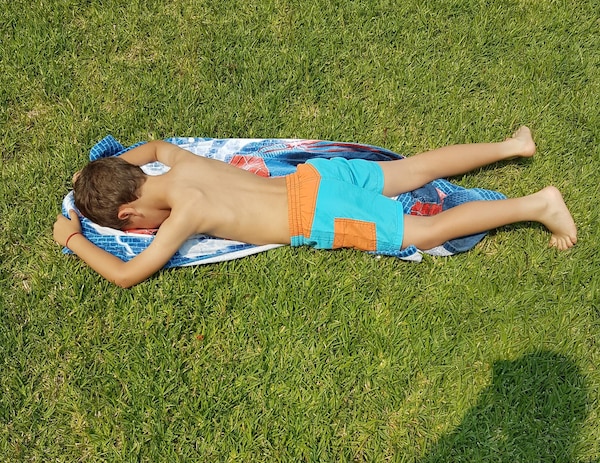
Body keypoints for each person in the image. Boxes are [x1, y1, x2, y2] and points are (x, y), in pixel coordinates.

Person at [53, 127, 577, 288]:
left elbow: (128, 275)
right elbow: (149, 150)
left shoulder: (185, 215)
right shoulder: (176, 162)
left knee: (425, 232)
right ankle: (513, 146)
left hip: (319, 215)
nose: (149, 228)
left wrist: (73, 240)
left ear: (128, 217)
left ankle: (536, 204)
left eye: (137, 224)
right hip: (318, 176)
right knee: (414, 169)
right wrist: (91, 174)